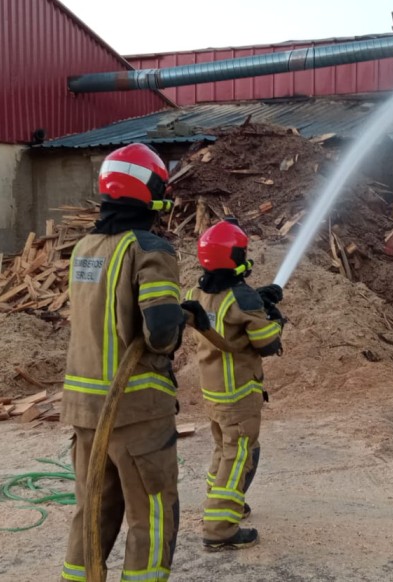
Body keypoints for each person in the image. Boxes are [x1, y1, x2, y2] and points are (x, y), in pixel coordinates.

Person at [60, 143, 186, 582]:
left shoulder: (84, 249)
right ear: (150, 192)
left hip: (84, 413)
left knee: (93, 511)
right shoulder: (150, 250)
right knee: (150, 514)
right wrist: (182, 318)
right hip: (135, 412)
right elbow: (161, 332)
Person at [185, 219, 285, 551]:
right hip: (239, 393)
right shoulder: (242, 298)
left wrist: (257, 299)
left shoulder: (196, 292)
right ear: (235, 256)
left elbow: (225, 314)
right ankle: (220, 529)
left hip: (213, 392)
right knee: (240, 454)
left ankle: (221, 505)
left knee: (223, 449)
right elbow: (266, 342)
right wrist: (275, 318)